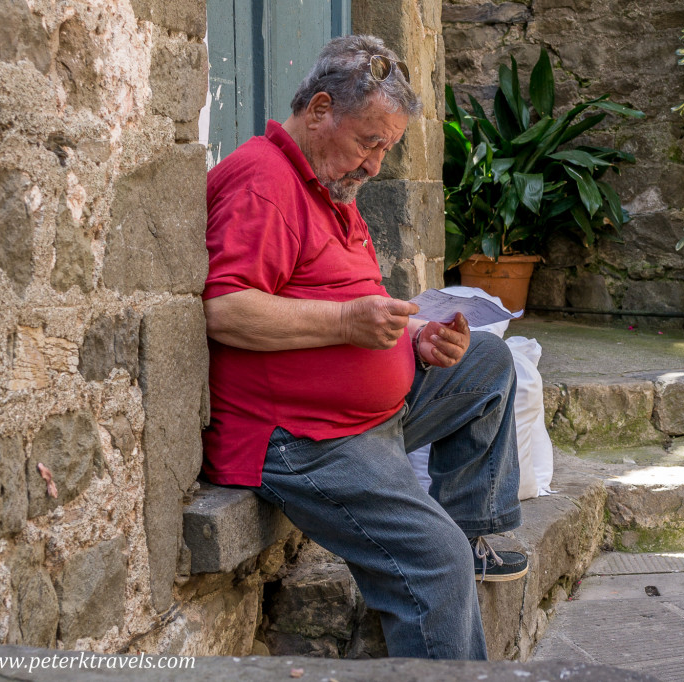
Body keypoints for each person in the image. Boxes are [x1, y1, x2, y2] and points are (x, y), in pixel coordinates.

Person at [201, 34, 526, 660]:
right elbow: (227, 309)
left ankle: (468, 532)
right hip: (305, 441)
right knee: (437, 564)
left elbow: (337, 301)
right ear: (320, 109)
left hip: (372, 416)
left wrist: (415, 336)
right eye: (369, 143)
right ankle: (442, 567)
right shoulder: (264, 184)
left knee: (488, 363)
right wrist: (351, 324)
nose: (375, 165)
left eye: (387, 148)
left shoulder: (327, 183)